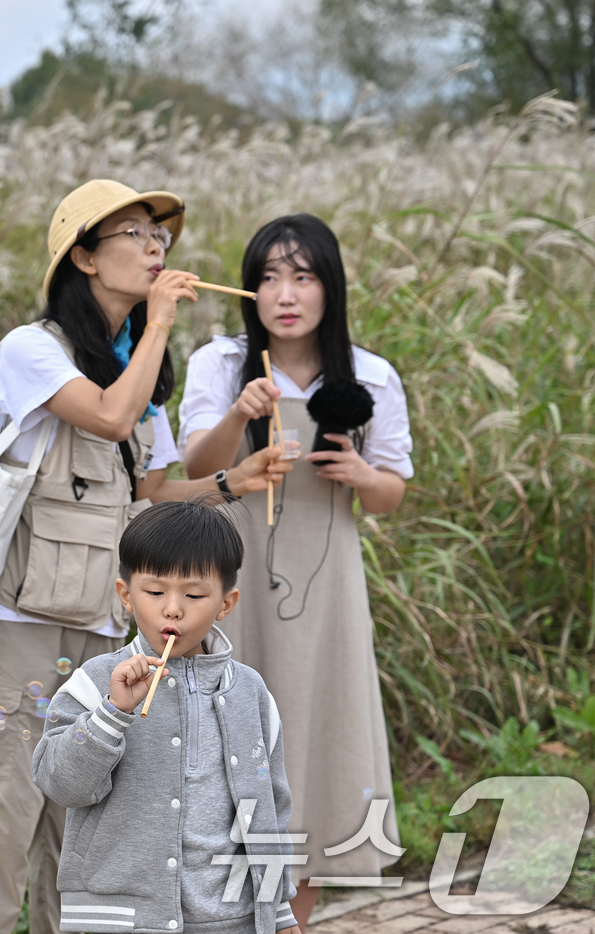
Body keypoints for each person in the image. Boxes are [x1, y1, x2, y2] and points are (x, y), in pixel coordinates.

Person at [0, 179, 291, 934]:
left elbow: (154, 497)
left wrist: (233, 480)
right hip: (14, 628)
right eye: (132, 232)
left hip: (105, 630)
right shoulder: (33, 350)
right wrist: (160, 320)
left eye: (160, 235)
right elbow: (106, 415)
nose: (155, 247)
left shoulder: (140, 370)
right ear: (84, 258)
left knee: (78, 835)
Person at [179, 214, 414, 927]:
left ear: (328, 288)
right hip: (230, 579)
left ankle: (291, 920)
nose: (285, 294)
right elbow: (193, 467)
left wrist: (360, 472)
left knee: (312, 737)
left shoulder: (368, 375)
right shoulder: (221, 364)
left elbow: (393, 493)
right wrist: (240, 418)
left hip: (327, 585)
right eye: (270, 277)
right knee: (219, 741)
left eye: (303, 276)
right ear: (249, 291)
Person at [33, 499, 299, 934]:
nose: (173, 608)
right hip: (119, 922)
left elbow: (272, 808)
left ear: (226, 603)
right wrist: (113, 713)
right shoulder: (94, 682)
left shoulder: (251, 692)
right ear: (126, 594)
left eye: (194, 595)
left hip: (233, 920)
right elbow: (61, 784)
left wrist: (279, 911)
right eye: (155, 592)